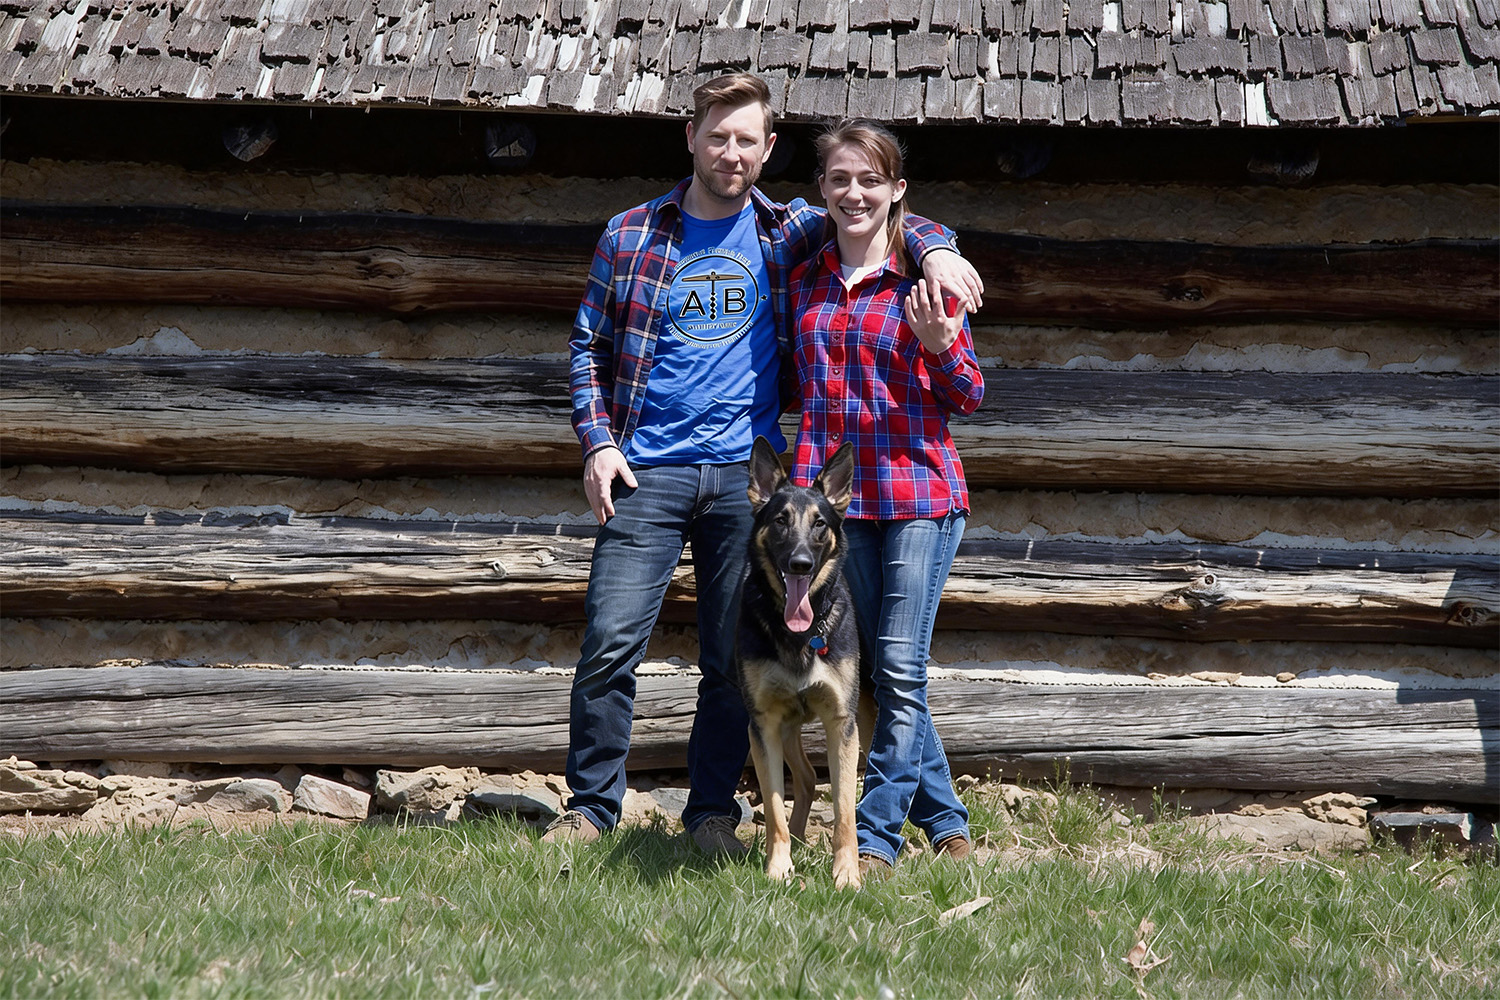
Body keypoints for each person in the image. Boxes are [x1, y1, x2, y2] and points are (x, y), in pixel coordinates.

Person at [545, 75, 984, 852]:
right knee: (611, 641)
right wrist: (597, 441)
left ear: (768, 149)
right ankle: (589, 811)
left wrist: (939, 249)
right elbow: (587, 347)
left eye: (748, 139)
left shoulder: (788, 230)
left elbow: (880, 211)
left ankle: (713, 813)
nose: (732, 152)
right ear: (691, 138)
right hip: (646, 467)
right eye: (718, 135)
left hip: (747, 484)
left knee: (730, 659)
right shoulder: (632, 233)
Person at [788, 119, 984, 876]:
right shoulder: (803, 276)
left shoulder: (927, 281)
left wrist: (940, 347)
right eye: (840, 179)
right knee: (874, 673)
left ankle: (873, 840)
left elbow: (970, 395)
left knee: (900, 667)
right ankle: (948, 822)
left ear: (897, 190)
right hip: (838, 512)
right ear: (823, 190)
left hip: (918, 499)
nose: (855, 193)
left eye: (871, 180)